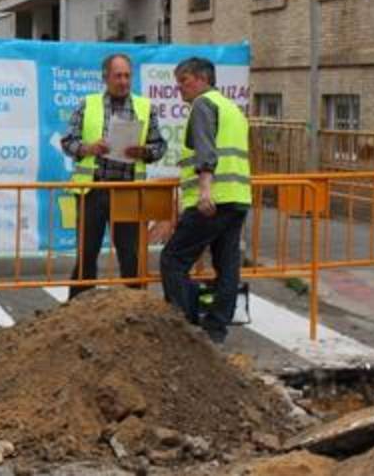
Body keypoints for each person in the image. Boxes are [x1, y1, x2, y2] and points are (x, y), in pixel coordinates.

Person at [159, 57, 251, 344]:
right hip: (237, 198)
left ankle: (183, 327)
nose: (180, 89)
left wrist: (205, 191)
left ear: (201, 79)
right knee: (227, 265)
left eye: (183, 81)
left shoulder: (202, 105)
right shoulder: (232, 108)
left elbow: (206, 152)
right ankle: (215, 330)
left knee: (173, 259)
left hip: (214, 200)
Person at [61, 53, 167, 299]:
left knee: (130, 254)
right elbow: (68, 142)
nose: (123, 81)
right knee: (87, 252)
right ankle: (79, 308)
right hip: (93, 190)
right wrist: (89, 148)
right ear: (105, 77)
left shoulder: (144, 107)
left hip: (129, 191)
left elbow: (160, 146)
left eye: (127, 75)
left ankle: (135, 306)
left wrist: (144, 152)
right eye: (118, 75)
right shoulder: (87, 104)